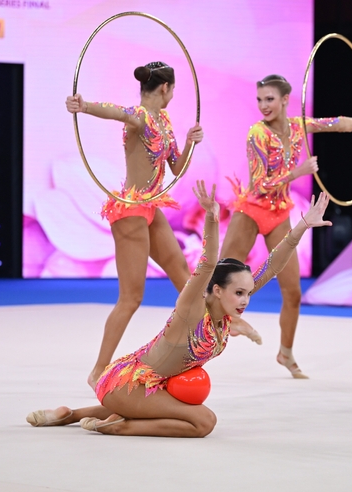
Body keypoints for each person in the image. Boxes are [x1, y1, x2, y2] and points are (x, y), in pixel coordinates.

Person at [25, 182, 333, 437]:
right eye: (238, 293)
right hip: (129, 382)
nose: (244, 301)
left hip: (143, 386)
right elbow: (208, 263)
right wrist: (212, 218)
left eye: (247, 294)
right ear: (216, 289)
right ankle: (122, 426)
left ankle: (70, 414)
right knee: (204, 422)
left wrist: (303, 226)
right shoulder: (192, 308)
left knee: (185, 413)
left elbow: (272, 266)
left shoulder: (224, 316)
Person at [222, 74, 352, 378]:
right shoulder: (257, 133)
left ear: (284, 100)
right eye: (259, 100)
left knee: (293, 292)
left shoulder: (297, 126)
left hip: (279, 213)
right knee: (223, 276)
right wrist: (298, 172)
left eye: (269, 99)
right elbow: (260, 183)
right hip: (252, 209)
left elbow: (334, 123)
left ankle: (286, 353)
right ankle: (211, 332)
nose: (263, 105)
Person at [65, 61, 204, 388]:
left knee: (184, 277)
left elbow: (176, 167)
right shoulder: (140, 116)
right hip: (130, 209)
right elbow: (118, 112)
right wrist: (84, 107)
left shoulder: (164, 121)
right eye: (173, 89)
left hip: (151, 207)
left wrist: (189, 143)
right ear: (165, 88)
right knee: (131, 297)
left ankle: (196, 342)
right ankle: (98, 370)